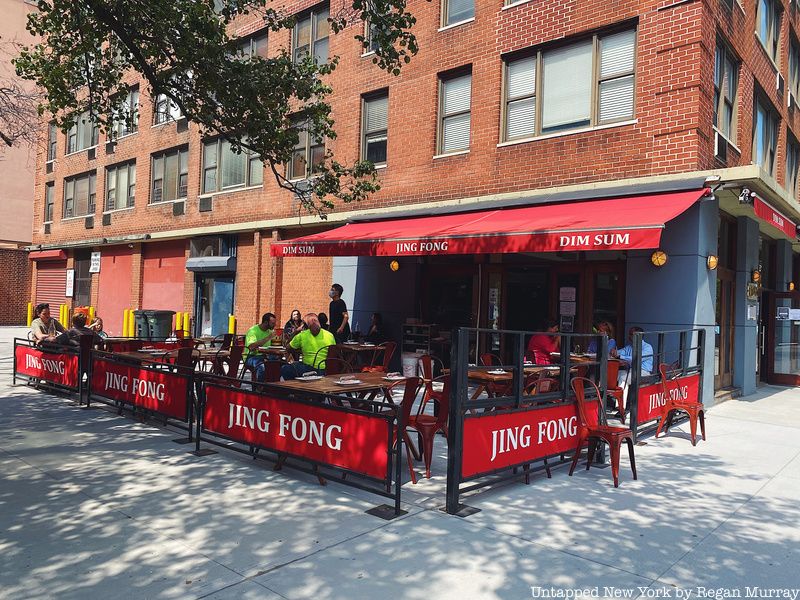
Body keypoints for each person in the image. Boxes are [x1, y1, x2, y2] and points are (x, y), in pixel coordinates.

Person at [282, 313, 336, 380]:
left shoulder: (302, 335)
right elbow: (333, 351)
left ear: (305, 325)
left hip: (308, 370)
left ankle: (293, 385)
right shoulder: (330, 335)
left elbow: (288, 348)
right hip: (325, 370)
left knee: (285, 368)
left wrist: (296, 331)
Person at [611, 326, 654, 405]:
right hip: (631, 370)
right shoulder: (629, 346)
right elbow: (620, 352)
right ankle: (610, 399)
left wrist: (620, 356)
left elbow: (636, 358)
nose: (629, 336)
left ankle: (620, 406)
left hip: (643, 371)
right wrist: (614, 352)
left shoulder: (647, 347)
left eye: (631, 334)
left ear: (638, 335)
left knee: (623, 378)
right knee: (612, 375)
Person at [243, 313, 278, 382]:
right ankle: (259, 386)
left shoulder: (270, 331)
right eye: (272, 323)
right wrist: (269, 337)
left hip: (265, 356)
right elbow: (251, 347)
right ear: (266, 322)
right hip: (251, 356)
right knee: (262, 366)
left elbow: (274, 346)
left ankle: (273, 385)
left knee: (279, 364)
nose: (275, 325)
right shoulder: (253, 331)